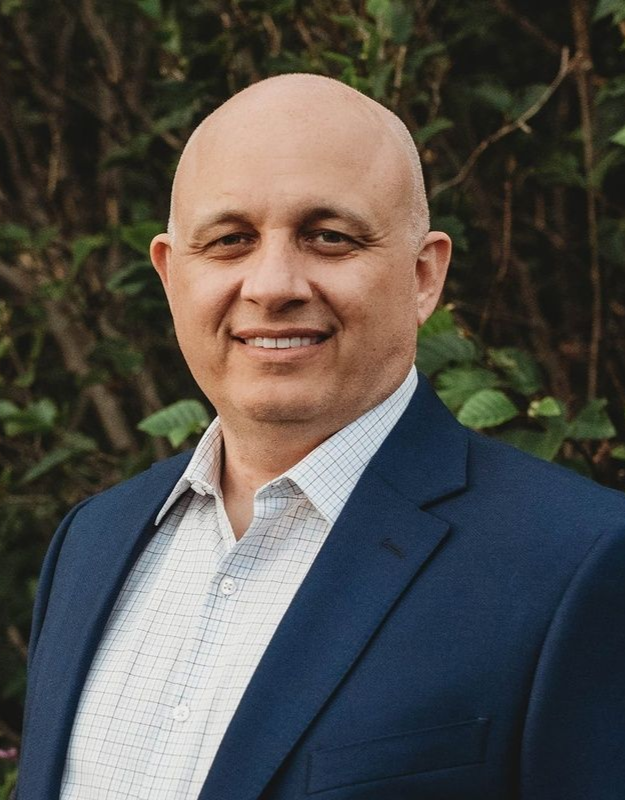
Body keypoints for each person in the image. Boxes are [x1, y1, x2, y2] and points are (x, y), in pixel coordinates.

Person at [17, 74, 625, 800]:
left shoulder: (578, 562)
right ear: (172, 276)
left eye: (329, 238)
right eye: (231, 240)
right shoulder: (90, 542)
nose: (273, 285)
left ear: (423, 276)